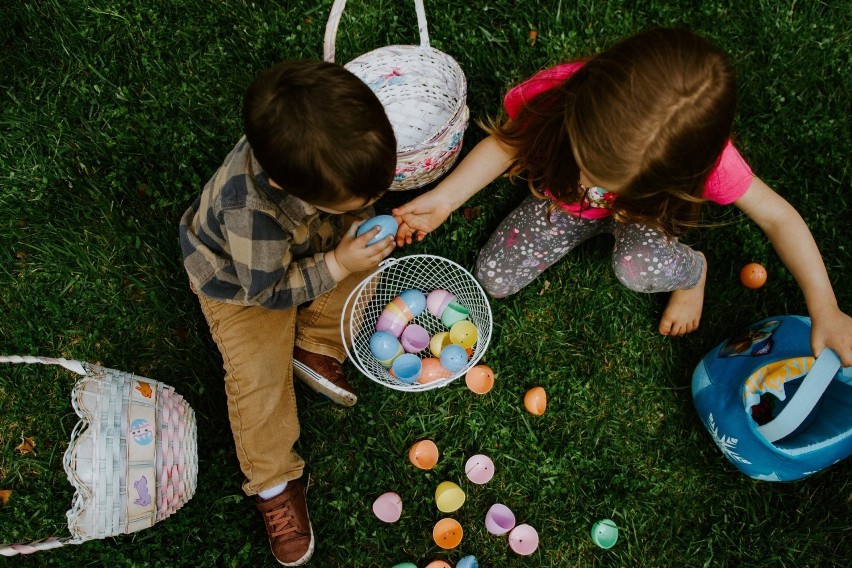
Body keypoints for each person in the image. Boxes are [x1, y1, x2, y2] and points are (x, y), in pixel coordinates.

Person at [392, 27, 852, 366]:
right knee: (492, 279)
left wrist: (825, 307)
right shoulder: (561, 91)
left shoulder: (710, 162)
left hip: (645, 221)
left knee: (636, 267)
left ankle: (693, 273)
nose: (593, 178)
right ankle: (584, 222)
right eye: (584, 153)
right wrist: (447, 198)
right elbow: (507, 144)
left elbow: (779, 219)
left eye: (612, 176)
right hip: (563, 204)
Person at [179, 60, 396, 566]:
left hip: (304, 248)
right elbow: (270, 292)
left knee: (374, 264)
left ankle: (314, 343)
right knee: (258, 376)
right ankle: (274, 478)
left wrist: (361, 231)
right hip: (243, 286)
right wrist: (339, 261)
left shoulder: (321, 153)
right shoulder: (250, 212)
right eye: (359, 199)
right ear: (286, 183)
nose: (372, 203)